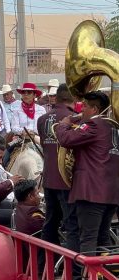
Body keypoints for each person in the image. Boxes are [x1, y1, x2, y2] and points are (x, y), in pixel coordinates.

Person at [54, 91, 119, 256]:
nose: (81, 110)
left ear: (95, 110)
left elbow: (66, 139)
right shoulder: (112, 127)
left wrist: (64, 124)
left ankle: (86, 276)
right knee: (103, 238)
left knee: (88, 238)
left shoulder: (94, 125)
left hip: (91, 193)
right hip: (110, 194)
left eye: (85, 107)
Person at [37, 84, 79, 253]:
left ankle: (46, 263)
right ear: (72, 99)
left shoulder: (42, 119)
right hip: (68, 181)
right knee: (72, 226)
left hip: (48, 178)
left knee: (50, 222)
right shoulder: (75, 118)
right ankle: (73, 271)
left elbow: (43, 146)